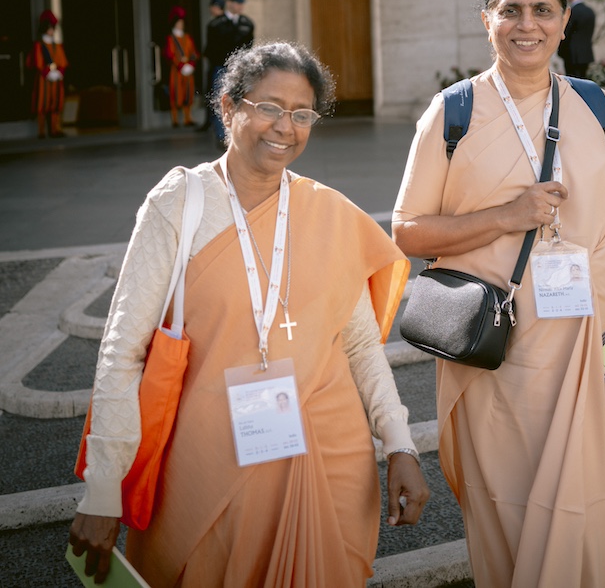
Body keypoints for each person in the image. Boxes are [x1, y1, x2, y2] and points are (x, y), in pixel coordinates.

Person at [69, 41, 429, 587]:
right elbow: (124, 349)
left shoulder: (328, 212)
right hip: (211, 456)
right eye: (268, 107)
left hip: (329, 454)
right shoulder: (181, 203)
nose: (285, 127)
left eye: (301, 113)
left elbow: (358, 344)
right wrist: (102, 488)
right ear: (230, 107)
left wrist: (399, 443)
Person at [393, 0, 605, 588]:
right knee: (511, 515)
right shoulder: (453, 112)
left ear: (565, 20)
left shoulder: (598, 109)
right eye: (509, 10)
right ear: (486, 21)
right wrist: (507, 215)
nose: (527, 24)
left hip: (585, 347)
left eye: (542, 9)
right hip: (495, 353)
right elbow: (407, 232)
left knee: (577, 515)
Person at [208, 0, 256, 146]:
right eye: (236, 2)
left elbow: (248, 48)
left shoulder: (247, 24)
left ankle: (240, 134)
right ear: (229, 2)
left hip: (240, 69)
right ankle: (222, 137)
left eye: (241, 3)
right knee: (221, 100)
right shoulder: (216, 24)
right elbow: (211, 49)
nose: (240, 6)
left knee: (242, 101)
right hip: (221, 67)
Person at [27, 9, 69, 138]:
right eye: (49, 28)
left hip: (56, 78)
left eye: (53, 28)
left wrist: (59, 72)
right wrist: (47, 72)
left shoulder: (57, 45)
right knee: (42, 103)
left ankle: (55, 129)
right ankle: (41, 131)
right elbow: (37, 62)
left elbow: (63, 61)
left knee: (55, 103)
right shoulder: (39, 45)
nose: (51, 31)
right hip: (44, 79)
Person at [164, 6, 199, 128]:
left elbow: (194, 53)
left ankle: (187, 118)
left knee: (188, 93)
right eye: (179, 23)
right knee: (176, 93)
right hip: (177, 71)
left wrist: (191, 65)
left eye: (182, 23)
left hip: (188, 70)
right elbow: (169, 54)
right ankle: (174, 119)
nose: (181, 25)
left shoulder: (188, 38)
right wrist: (180, 65)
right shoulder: (170, 39)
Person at [196, 0, 226, 132]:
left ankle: (215, 126)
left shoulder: (215, 25)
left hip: (218, 65)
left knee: (215, 95)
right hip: (225, 64)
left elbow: (211, 48)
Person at [557, 0, 595, 79]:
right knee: (583, 81)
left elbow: (566, 32)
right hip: (586, 53)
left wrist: (560, 50)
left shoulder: (572, 12)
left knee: (573, 83)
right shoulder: (590, 11)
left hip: (571, 54)